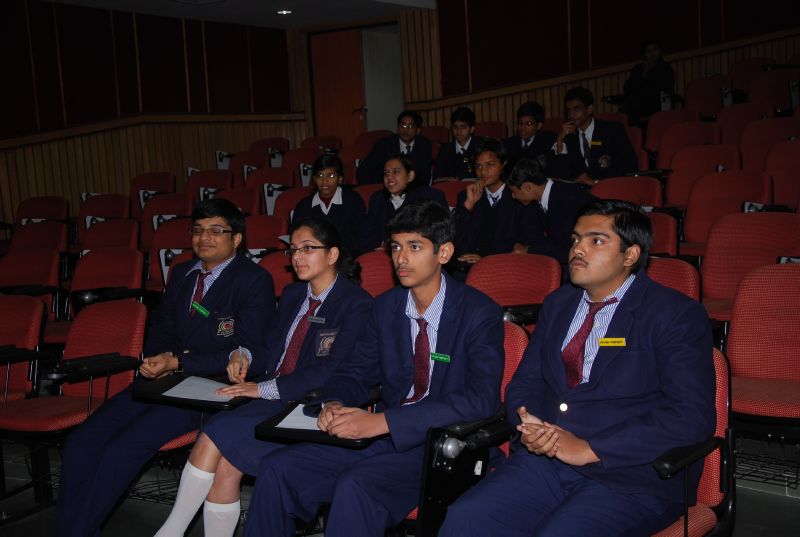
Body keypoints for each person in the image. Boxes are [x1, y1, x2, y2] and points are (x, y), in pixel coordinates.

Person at [439, 199, 716, 537]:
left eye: (596, 240)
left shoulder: (674, 314)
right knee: (464, 519)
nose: (577, 250)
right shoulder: (559, 303)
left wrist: (591, 449)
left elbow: (691, 416)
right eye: (575, 239)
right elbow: (526, 383)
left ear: (630, 255)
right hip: (546, 462)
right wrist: (531, 426)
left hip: (630, 474)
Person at [243, 199, 505, 537]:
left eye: (414, 247)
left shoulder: (479, 313)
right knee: (278, 468)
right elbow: (355, 372)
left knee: (357, 486)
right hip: (384, 435)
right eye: (395, 247)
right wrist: (334, 402)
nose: (401, 258)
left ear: (444, 252)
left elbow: (480, 399)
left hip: (442, 444)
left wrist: (384, 422)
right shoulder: (385, 308)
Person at [57, 198, 276, 537]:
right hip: (165, 379)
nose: (204, 238)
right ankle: (72, 530)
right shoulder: (182, 274)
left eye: (216, 231)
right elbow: (162, 328)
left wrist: (181, 362)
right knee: (82, 441)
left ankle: (78, 531)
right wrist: (158, 359)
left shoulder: (253, 279)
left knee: (122, 449)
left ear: (236, 239)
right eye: (198, 230)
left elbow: (249, 349)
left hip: (209, 390)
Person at [154, 218, 372, 537]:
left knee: (213, 438)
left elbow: (331, 370)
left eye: (307, 249)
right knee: (225, 465)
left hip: (312, 404)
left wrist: (263, 388)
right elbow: (269, 347)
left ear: (333, 254)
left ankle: (171, 532)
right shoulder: (294, 294)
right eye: (293, 250)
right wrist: (243, 354)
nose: (297, 257)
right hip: (272, 399)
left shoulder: (357, 304)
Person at [507, 158, 596, 271]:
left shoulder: (568, 200)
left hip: (589, 262)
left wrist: (529, 250)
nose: (513, 196)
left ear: (527, 187)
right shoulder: (544, 196)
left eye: (513, 192)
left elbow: (569, 249)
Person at [453, 137, 525, 267]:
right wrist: (467, 207)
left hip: (506, 267)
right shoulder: (467, 196)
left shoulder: (519, 197)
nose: (483, 172)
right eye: (478, 166)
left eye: (490, 165)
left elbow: (523, 247)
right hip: (470, 266)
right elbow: (455, 242)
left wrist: (486, 261)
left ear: (503, 164)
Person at [550, 86, 637, 186]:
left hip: (610, 188)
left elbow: (630, 166)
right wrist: (559, 142)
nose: (571, 115)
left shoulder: (612, 130)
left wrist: (596, 183)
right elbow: (559, 175)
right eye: (569, 111)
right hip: (580, 192)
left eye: (576, 109)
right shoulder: (568, 137)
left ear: (589, 109)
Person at [362, 154, 448, 251]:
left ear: (410, 176)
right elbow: (367, 235)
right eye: (386, 173)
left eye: (396, 171)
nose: (389, 176)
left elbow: (440, 233)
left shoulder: (431, 197)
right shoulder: (377, 200)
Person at [291, 154, 367, 257]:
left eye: (331, 176)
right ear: (314, 179)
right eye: (320, 176)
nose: (324, 181)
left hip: (348, 259)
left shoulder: (353, 200)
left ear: (340, 179)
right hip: (313, 260)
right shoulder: (304, 206)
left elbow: (363, 237)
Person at [356, 111, 434, 185]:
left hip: (414, 188)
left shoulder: (424, 145)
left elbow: (424, 176)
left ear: (418, 130)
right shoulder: (384, 144)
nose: (406, 129)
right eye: (402, 125)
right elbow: (364, 170)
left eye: (411, 126)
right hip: (387, 186)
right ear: (397, 128)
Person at [623, 41, 675, 126]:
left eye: (654, 49)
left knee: (631, 105)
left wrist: (647, 78)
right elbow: (628, 87)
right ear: (644, 55)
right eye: (648, 51)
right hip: (637, 102)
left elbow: (664, 87)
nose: (652, 53)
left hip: (657, 103)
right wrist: (643, 74)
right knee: (629, 104)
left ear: (659, 51)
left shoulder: (665, 68)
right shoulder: (638, 68)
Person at [503, 101, 557, 172]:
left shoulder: (548, 140)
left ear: (539, 125)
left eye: (528, 124)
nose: (522, 128)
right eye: (520, 123)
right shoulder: (510, 143)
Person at [432, 106, 481, 181]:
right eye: (455, 127)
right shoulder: (445, 150)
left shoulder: (480, 147)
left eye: (463, 127)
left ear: (472, 129)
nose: (458, 131)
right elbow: (437, 178)